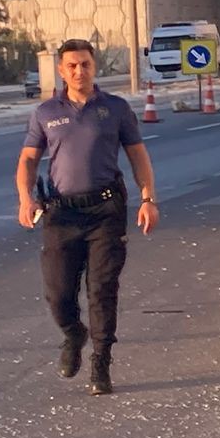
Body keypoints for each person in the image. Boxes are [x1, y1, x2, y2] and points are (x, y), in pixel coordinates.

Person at [16, 39, 160, 395]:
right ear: (62, 71)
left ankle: (101, 361)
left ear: (95, 68)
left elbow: (138, 156)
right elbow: (28, 160)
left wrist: (147, 199)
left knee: (102, 289)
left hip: (105, 212)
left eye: (86, 64)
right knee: (58, 293)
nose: (80, 71)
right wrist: (25, 198)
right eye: (72, 66)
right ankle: (73, 333)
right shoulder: (46, 113)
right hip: (61, 214)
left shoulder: (115, 109)